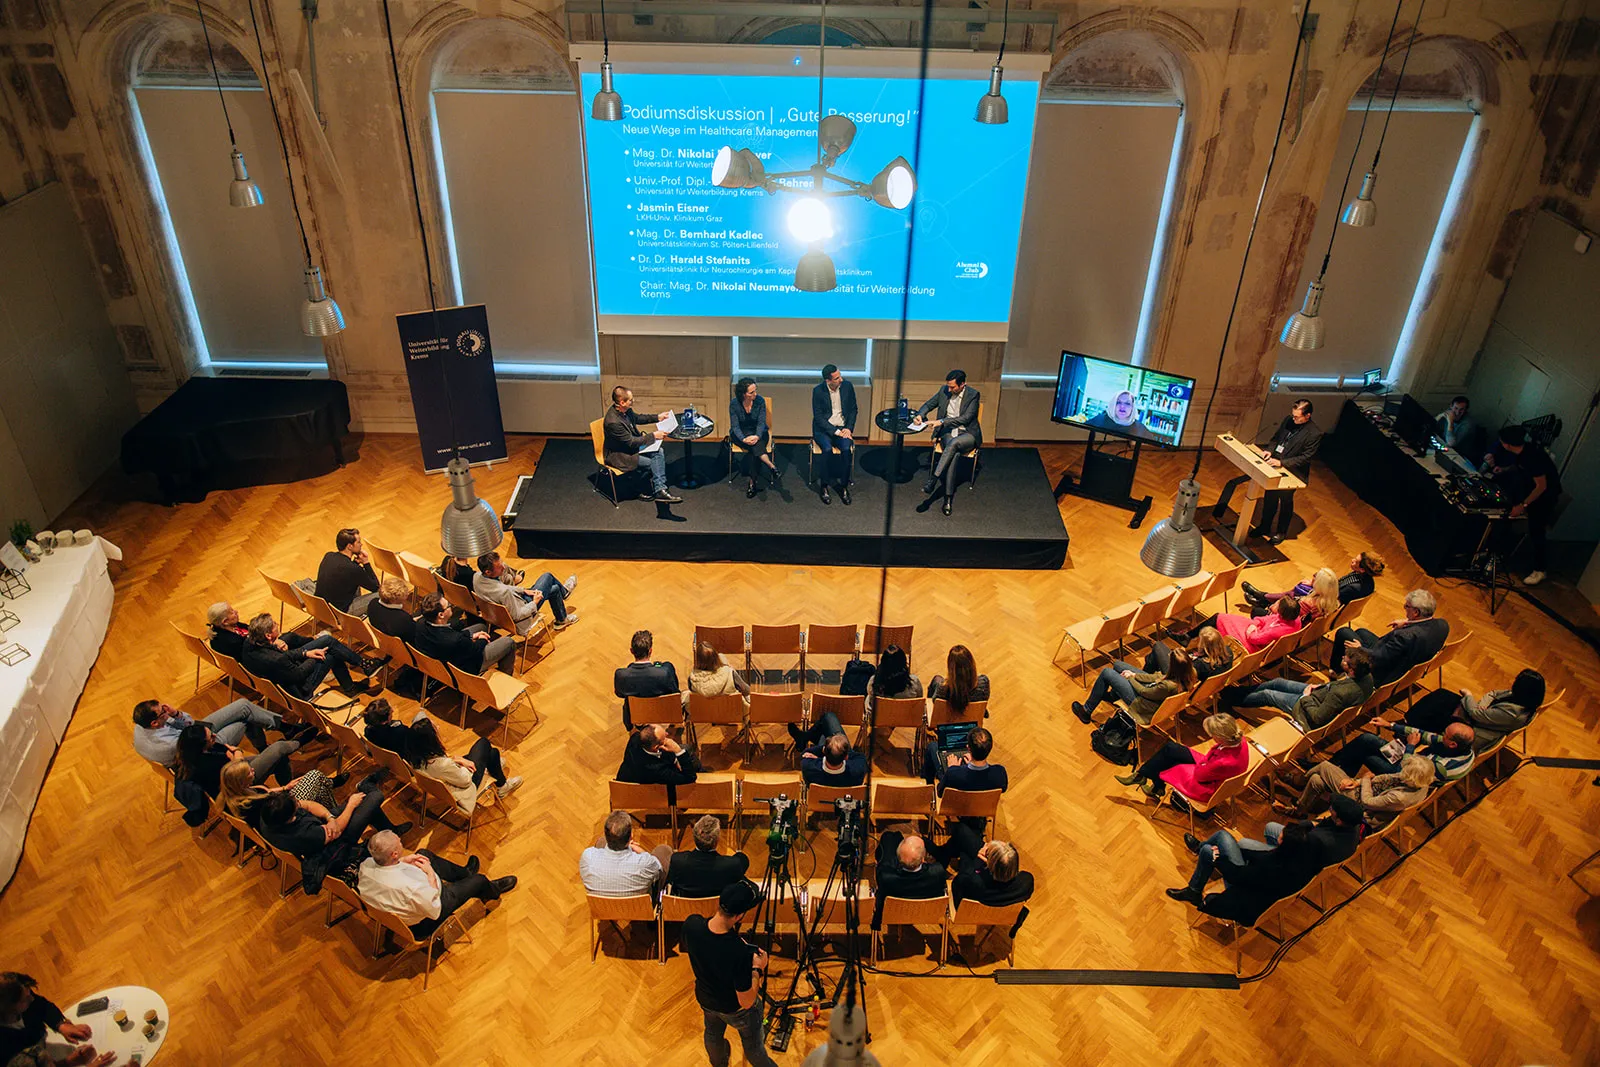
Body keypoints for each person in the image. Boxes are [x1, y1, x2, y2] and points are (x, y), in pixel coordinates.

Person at [681, 880, 778, 1067]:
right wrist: (758, 968)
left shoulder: (691, 924)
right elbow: (746, 1001)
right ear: (739, 916)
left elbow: (706, 948)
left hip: (706, 999)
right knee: (754, 1049)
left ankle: (719, 1063)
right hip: (735, 1010)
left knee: (712, 1034)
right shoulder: (738, 951)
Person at [358, 829, 516, 937]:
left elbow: (388, 868)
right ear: (394, 854)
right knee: (479, 880)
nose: (401, 842)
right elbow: (434, 908)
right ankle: (492, 890)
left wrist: (404, 860)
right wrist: (430, 874)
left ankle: (465, 873)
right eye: (399, 842)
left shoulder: (366, 865)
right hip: (426, 918)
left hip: (394, 912)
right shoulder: (410, 888)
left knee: (423, 854)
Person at [257, 777, 412, 881]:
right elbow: (336, 831)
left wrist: (329, 817)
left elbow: (308, 805)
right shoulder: (304, 834)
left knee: (368, 806)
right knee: (375, 797)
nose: (298, 804)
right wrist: (350, 805)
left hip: (326, 826)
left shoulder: (269, 814)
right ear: (290, 816)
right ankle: (366, 784)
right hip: (336, 845)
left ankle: (390, 829)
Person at [1481, 425, 1563, 586]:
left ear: (1507, 444)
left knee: (1537, 532)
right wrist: (1504, 470)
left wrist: (1523, 505)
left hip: (1544, 499)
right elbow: (1519, 468)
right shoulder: (1523, 452)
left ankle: (1540, 570)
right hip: (1529, 492)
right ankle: (1496, 552)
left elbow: (1541, 486)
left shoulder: (1533, 457)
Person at [1224, 647, 1374, 730]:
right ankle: (1238, 693)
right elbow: (1339, 686)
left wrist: (1306, 698)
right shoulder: (1367, 677)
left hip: (1306, 709)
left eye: (1345, 661)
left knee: (1268, 694)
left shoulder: (1340, 693)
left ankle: (1230, 699)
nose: (1342, 658)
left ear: (1351, 670)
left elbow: (1317, 717)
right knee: (1277, 682)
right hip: (1319, 694)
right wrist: (1322, 686)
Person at [132, 696, 307, 766]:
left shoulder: (141, 726)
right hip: (205, 749)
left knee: (243, 706)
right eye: (163, 712)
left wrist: (175, 713)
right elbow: (193, 732)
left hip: (195, 734)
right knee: (246, 719)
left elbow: (190, 724)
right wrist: (179, 718)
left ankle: (285, 728)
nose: (166, 710)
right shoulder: (170, 744)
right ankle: (269, 744)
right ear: (154, 722)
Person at [1115, 712, 1248, 803]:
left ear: (1220, 737)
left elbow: (1200, 775)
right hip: (1210, 769)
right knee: (1172, 748)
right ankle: (1146, 778)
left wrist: (1203, 764)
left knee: (1169, 761)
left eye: (1212, 735)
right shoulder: (1239, 740)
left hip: (1206, 786)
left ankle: (1149, 781)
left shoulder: (1223, 762)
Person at [1403, 668, 1545, 752]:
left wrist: (1469, 696)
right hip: (1482, 717)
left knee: (1439, 710)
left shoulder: (1513, 713)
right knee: (1443, 696)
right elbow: (1493, 694)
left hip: (1476, 730)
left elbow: (1476, 714)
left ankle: (1410, 731)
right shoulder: (1521, 699)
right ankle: (1410, 724)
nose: (1513, 683)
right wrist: (1481, 706)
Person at [241, 613, 379, 698]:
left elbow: (284, 657)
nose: (277, 624)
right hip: (300, 688)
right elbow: (299, 674)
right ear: (268, 635)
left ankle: (360, 670)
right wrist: (313, 656)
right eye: (274, 625)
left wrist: (305, 652)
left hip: (282, 680)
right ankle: (359, 673)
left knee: (327, 641)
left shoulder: (249, 643)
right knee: (331, 652)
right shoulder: (277, 659)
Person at [1329, 588, 1449, 684]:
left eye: (1407, 606)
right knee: (1361, 632)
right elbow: (1423, 625)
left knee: (1344, 633)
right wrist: (1408, 622)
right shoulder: (1443, 625)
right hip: (1401, 662)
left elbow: (1378, 659)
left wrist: (1360, 649)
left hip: (1382, 671)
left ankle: (1337, 671)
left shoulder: (1404, 637)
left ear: (1416, 612)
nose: (1404, 608)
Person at [406, 715, 523, 811]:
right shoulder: (442, 765)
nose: (438, 727)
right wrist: (463, 762)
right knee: (484, 743)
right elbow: (465, 781)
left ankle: (493, 766)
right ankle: (502, 786)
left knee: (492, 753)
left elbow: (444, 769)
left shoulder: (417, 757)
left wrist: (455, 760)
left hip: (449, 777)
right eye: (435, 728)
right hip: (466, 786)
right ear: (430, 739)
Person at [1283, 753, 1433, 826]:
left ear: (1410, 776)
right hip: (1364, 791)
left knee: (1324, 766)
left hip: (1360, 805)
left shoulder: (1400, 797)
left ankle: (1299, 782)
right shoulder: (1420, 781)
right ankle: (1300, 810)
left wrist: (1365, 780)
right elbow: (1386, 777)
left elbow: (1368, 802)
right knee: (1316, 780)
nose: (1402, 770)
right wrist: (1357, 781)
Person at [0, 972, 114, 1067]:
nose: (31, 998)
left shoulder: (22, 995)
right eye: (25, 999)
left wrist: (61, 1025)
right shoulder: (6, 1051)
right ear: (9, 1008)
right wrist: (70, 1063)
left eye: (29, 992)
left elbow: (43, 1006)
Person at [1249, 398, 1322, 544]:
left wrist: (1282, 462)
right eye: (1293, 415)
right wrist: (1269, 451)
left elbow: (1306, 457)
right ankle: (1264, 526)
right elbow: (1276, 439)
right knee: (1270, 498)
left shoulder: (1314, 433)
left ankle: (1281, 532)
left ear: (1307, 416)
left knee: (1285, 501)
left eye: (1297, 417)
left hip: (1293, 472)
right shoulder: (1288, 420)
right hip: (1274, 465)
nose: (1293, 419)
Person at [1072, 647, 1195, 727]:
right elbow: (1156, 677)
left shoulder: (1168, 686)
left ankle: (1086, 711)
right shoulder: (1187, 674)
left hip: (1142, 703)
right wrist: (1134, 675)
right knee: (1118, 665)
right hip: (1152, 693)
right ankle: (1114, 695)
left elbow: (1143, 691)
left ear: (1174, 666)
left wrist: (1130, 678)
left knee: (1106, 673)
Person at [916, 369, 983, 515]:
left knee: (954, 444)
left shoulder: (973, 395)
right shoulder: (944, 390)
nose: (949, 389)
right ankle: (947, 499)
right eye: (948, 386)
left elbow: (966, 418)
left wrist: (941, 421)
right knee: (954, 453)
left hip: (967, 433)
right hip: (948, 432)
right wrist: (920, 415)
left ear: (962, 384)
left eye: (953, 387)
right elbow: (928, 405)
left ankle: (933, 480)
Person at [175, 722, 298, 798]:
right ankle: (301, 740)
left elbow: (226, 750)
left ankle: (289, 788)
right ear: (201, 746)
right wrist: (237, 752)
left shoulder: (196, 752)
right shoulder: (205, 766)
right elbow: (237, 768)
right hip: (241, 784)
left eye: (212, 733)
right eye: (211, 737)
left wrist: (234, 757)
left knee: (278, 757)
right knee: (279, 748)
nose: (215, 736)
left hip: (237, 769)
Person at [1241, 551, 1385, 616]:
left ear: (1362, 569)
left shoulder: (1355, 587)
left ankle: (1264, 598)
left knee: (1298, 589)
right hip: (1329, 598)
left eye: (1355, 561)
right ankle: (1264, 598)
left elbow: (1333, 596)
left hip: (1326, 605)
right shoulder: (1364, 578)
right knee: (1302, 587)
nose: (1352, 560)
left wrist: (1315, 586)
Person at [603, 385, 681, 504]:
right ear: (622, 402)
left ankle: (660, 489)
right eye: (630, 400)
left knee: (659, 451)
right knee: (652, 463)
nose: (633, 401)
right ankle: (635, 486)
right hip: (621, 455)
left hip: (631, 447)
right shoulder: (613, 422)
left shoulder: (625, 410)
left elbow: (638, 418)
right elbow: (631, 442)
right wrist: (653, 436)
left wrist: (658, 417)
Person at [1329, 721, 1476, 783]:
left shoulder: (1442, 766)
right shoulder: (1461, 748)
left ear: (1453, 744)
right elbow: (1423, 735)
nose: (1441, 735)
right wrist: (1390, 725)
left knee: (1364, 753)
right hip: (1411, 761)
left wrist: (1410, 746)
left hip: (1403, 777)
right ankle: (1336, 767)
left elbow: (1404, 773)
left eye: (1444, 734)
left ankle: (1337, 776)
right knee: (1366, 739)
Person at [412, 593, 517, 676]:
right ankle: (504, 676)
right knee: (509, 642)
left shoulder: (421, 623)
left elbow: (454, 637)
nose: (451, 606)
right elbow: (475, 649)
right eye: (449, 606)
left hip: (443, 660)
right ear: (441, 615)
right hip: (466, 668)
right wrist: (482, 639)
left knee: (481, 627)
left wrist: (472, 636)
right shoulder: (455, 640)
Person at [473, 550, 578, 633]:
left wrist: (523, 590)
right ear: (488, 572)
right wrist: (535, 602)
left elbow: (502, 587)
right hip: (522, 617)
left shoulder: (477, 577)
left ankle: (561, 619)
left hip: (497, 615)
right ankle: (565, 593)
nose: (504, 567)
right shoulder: (504, 593)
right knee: (547, 576)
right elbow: (517, 615)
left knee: (555, 589)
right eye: (500, 567)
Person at [579, 809, 675, 897]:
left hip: (603, 907)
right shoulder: (645, 863)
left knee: (601, 842)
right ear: (631, 837)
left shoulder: (587, 857)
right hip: (638, 908)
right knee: (664, 850)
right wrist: (637, 849)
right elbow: (658, 869)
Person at [934, 825, 1033, 908]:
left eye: (987, 850)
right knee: (963, 832)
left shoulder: (970, 879)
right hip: (992, 905)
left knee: (962, 842)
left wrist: (977, 863)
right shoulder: (1026, 882)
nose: (984, 846)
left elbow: (955, 887)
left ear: (989, 864)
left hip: (969, 907)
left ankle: (941, 855)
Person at [219, 758, 341, 822]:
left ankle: (332, 805)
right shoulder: (254, 804)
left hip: (280, 806)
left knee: (319, 787)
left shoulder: (232, 794)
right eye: (249, 772)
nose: (253, 770)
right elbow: (281, 804)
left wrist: (284, 787)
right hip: (286, 811)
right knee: (314, 776)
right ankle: (333, 811)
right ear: (241, 781)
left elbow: (266, 792)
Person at [870, 831, 948, 930]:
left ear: (898, 860)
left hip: (894, 914)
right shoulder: (937, 872)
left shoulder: (886, 877)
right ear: (923, 859)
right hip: (927, 914)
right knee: (894, 836)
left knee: (888, 837)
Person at [1181, 595, 1303, 655]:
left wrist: (1253, 627)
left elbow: (1254, 638)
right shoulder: (1294, 619)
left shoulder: (1277, 630)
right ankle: (1191, 638)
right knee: (1221, 618)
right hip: (1255, 632)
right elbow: (1263, 619)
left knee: (1220, 618)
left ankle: (1189, 638)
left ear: (1281, 612)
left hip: (1253, 647)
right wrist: (1255, 624)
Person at [667, 816, 752, 899]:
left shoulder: (677, 860)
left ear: (694, 837)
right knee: (741, 858)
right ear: (717, 840)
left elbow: (672, 882)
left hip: (685, 907)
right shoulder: (732, 865)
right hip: (720, 907)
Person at [810, 363, 858, 505]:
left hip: (843, 427)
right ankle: (824, 486)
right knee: (826, 450)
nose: (841, 379)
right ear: (828, 381)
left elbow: (853, 409)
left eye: (840, 376)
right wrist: (836, 432)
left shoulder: (847, 386)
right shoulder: (818, 391)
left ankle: (843, 487)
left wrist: (848, 429)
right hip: (824, 429)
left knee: (846, 450)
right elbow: (818, 418)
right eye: (837, 378)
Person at [615, 629, 681, 731]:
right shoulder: (665, 671)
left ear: (631, 651)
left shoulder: (621, 675)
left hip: (636, 716)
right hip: (663, 714)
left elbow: (619, 694)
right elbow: (675, 692)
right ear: (650, 651)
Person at [308, 527, 381, 615]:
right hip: (339, 613)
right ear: (350, 546)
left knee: (355, 580)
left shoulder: (329, 556)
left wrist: (356, 563)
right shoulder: (353, 569)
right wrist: (366, 563)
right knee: (380, 595)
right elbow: (376, 587)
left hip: (320, 607)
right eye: (358, 542)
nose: (361, 544)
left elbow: (346, 571)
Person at [207, 600, 315, 659]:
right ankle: (313, 645)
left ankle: (311, 644)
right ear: (225, 621)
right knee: (290, 637)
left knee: (286, 637)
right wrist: (272, 642)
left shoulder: (230, 626)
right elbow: (254, 650)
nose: (236, 612)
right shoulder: (231, 641)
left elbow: (251, 630)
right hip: (260, 657)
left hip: (261, 645)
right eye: (232, 612)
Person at [923, 725, 1009, 797]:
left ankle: (928, 784)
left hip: (957, 807)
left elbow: (940, 793)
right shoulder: (1000, 773)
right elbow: (1003, 789)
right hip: (983, 807)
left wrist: (952, 767)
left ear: (968, 748)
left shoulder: (952, 773)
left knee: (932, 746)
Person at [728, 377, 779, 497]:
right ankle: (771, 466)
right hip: (741, 433)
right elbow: (735, 426)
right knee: (755, 448)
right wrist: (743, 439)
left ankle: (752, 483)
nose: (755, 394)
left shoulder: (760, 401)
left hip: (758, 432)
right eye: (751, 392)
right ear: (743, 394)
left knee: (754, 448)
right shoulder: (734, 404)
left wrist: (757, 435)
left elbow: (761, 423)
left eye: (755, 390)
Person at [617, 724, 700, 787]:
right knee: (688, 751)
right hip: (648, 792)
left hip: (626, 783)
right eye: (665, 737)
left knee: (687, 748)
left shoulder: (635, 738)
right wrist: (677, 750)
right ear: (656, 747)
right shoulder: (658, 771)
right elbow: (690, 778)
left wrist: (675, 759)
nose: (667, 734)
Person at [1142, 627, 1233, 683]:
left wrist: (1180, 657)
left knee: (1158, 646)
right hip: (1208, 687)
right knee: (1155, 655)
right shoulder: (1228, 652)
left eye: (1200, 641)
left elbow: (1184, 675)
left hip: (1177, 679)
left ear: (1204, 647)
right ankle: (1145, 673)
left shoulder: (1201, 665)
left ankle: (1143, 677)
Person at [927, 644, 990, 713]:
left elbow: (935, 702)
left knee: (936, 679)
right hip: (973, 719)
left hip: (948, 719)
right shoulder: (984, 683)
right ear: (971, 664)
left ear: (951, 669)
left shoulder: (942, 690)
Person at [1080, 390, 1160, 441]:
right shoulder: (1099, 420)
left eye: (1127, 403)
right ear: (1113, 405)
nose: (1122, 406)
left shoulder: (1141, 429)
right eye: (1118, 402)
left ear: (1133, 407)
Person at [799, 731, 867, 787]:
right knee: (826, 726)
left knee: (824, 731)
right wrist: (840, 749)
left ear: (824, 751)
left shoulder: (808, 766)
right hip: (846, 798)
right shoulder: (858, 768)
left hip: (819, 798)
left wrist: (819, 757)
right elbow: (860, 756)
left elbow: (804, 754)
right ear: (846, 757)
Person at [366, 577, 418, 641]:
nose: (407, 594)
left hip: (383, 636)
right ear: (394, 600)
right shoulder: (402, 618)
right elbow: (414, 634)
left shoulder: (373, 603)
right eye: (405, 595)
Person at [1436, 395, 1482, 461]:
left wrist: (1450, 422)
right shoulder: (1449, 412)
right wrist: (1440, 416)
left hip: (1458, 455)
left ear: (1465, 410)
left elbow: (1451, 443)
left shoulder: (1468, 424)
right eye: (1456, 408)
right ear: (1451, 406)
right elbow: (1432, 425)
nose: (1457, 413)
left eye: (1461, 410)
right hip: (1444, 445)